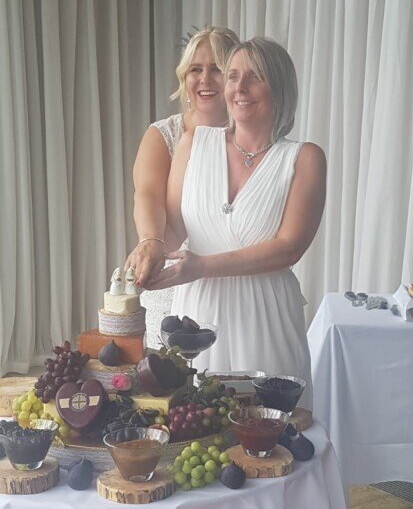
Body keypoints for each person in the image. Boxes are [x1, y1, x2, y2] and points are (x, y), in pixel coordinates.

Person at [145, 38, 326, 410]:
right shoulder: (193, 143)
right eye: (233, 77)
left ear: (279, 88)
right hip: (198, 317)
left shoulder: (304, 158)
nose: (239, 88)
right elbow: (174, 227)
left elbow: (289, 248)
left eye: (254, 77)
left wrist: (201, 266)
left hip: (267, 314)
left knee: (271, 438)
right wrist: (149, 244)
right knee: (196, 431)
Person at [124, 27, 239, 348]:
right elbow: (147, 194)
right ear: (183, 78)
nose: (205, 79)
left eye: (217, 68)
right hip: (176, 272)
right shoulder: (164, 134)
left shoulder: (251, 138)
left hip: (238, 275)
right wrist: (151, 239)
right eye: (196, 70)